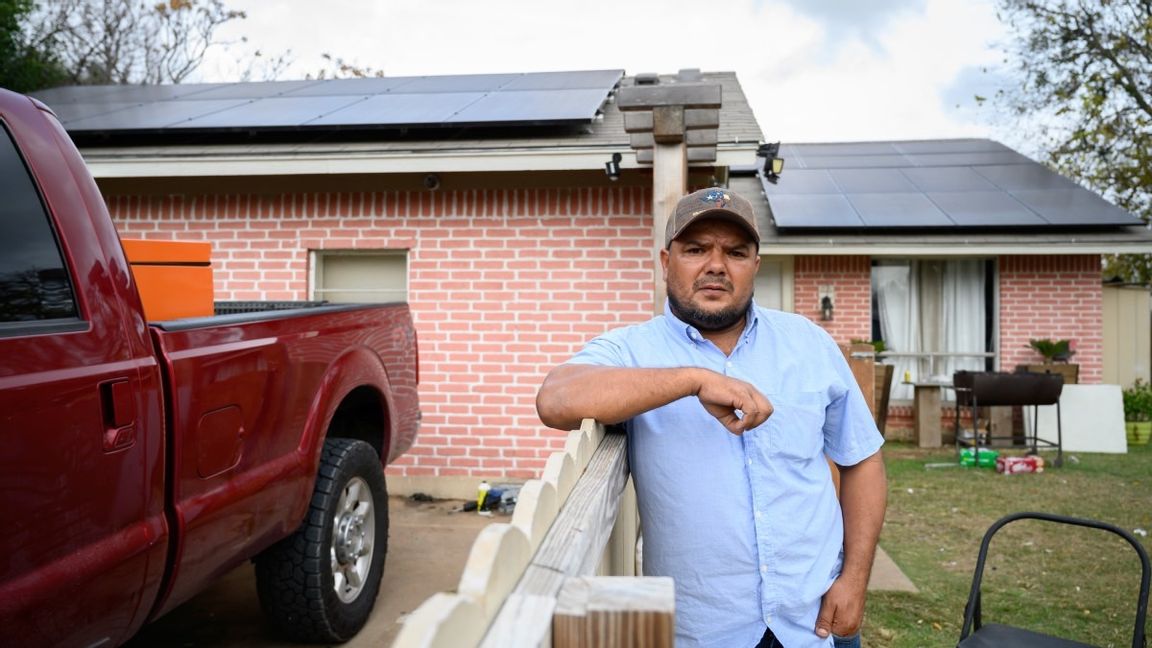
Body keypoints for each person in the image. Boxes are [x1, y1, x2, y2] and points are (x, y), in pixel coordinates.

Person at [536, 187, 887, 647]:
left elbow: (862, 461)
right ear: (666, 262)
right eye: (696, 249)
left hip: (815, 619)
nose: (716, 265)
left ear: (755, 266)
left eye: (735, 252)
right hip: (704, 630)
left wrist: (856, 577)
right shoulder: (631, 350)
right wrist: (692, 379)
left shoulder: (809, 344)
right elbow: (556, 399)